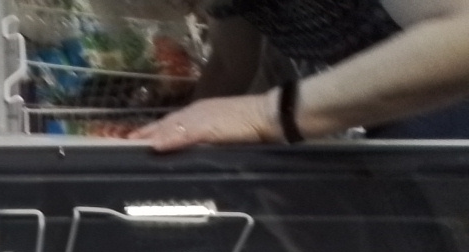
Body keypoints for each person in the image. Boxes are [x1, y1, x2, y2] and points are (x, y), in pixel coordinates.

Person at [127, 0, 469, 149]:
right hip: (391, 111)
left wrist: (267, 113)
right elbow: (230, 66)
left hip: (447, 112)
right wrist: (170, 129)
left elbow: (461, 32)